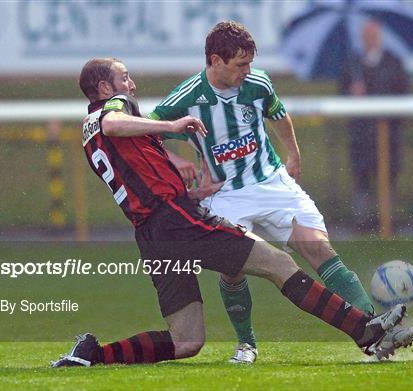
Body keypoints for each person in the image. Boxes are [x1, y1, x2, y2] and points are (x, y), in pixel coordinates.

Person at [51, 57, 413, 367]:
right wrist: (171, 125)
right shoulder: (110, 112)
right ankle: (366, 331)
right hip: (177, 223)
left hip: (154, 234)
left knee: (186, 341)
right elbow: (113, 123)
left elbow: (139, 182)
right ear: (103, 89)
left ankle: (92, 354)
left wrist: (194, 193)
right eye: (123, 77)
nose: (131, 83)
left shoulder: (91, 131)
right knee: (279, 264)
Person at [150, 21, 384, 364]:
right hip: (225, 194)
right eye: (239, 65)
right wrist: (175, 160)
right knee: (232, 270)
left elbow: (278, 112)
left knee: (317, 247)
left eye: (249, 63)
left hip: (271, 182)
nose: (248, 71)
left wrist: (293, 153)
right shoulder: (187, 97)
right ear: (215, 60)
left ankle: (374, 328)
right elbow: (146, 133)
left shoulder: (257, 83)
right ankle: (246, 343)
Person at [339, 19, 409, 230]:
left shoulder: (393, 62)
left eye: (373, 35)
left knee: (388, 177)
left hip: (388, 134)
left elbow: (403, 92)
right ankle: (362, 221)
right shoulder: (353, 65)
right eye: (365, 36)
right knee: (362, 178)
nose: (369, 39)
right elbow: (341, 93)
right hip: (361, 135)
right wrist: (352, 93)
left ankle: (387, 221)